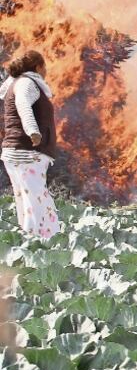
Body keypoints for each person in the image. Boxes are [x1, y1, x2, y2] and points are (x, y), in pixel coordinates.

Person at [1, 51, 59, 240]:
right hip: (27, 153)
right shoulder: (27, 83)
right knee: (38, 201)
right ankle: (45, 240)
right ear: (38, 67)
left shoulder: (16, 83)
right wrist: (33, 131)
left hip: (17, 152)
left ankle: (29, 242)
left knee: (26, 201)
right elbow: (23, 105)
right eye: (45, 66)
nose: (47, 70)